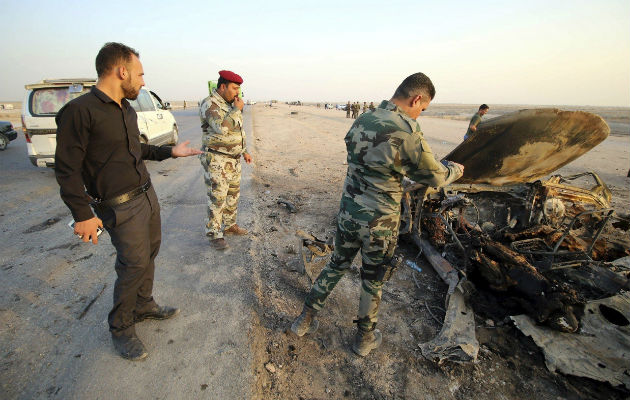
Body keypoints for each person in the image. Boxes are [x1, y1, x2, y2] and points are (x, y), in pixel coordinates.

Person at [290, 72, 464, 356]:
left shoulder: (362, 119)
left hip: (349, 213)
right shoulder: (407, 129)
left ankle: (304, 320)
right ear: (416, 98)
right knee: (372, 279)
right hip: (379, 223)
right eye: (422, 108)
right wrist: (455, 170)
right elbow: (435, 176)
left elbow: (370, 166)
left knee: (335, 265)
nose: (420, 114)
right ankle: (363, 339)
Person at [55, 42, 202, 361]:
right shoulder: (79, 112)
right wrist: (82, 214)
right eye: (140, 73)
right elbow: (67, 169)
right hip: (118, 206)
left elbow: (137, 150)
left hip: (146, 195)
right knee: (132, 264)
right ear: (122, 71)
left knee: (150, 252)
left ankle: (144, 304)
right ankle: (120, 328)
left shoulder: (126, 109)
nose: (143, 81)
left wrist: (170, 152)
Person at [199, 70, 252, 250]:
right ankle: (214, 234)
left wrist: (244, 151)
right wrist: (237, 109)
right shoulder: (210, 104)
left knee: (233, 195)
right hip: (217, 159)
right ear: (223, 87)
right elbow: (222, 128)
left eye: (238, 89)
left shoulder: (230, 105)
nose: (238, 92)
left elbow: (238, 130)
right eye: (234, 88)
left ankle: (230, 226)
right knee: (217, 197)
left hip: (233, 159)